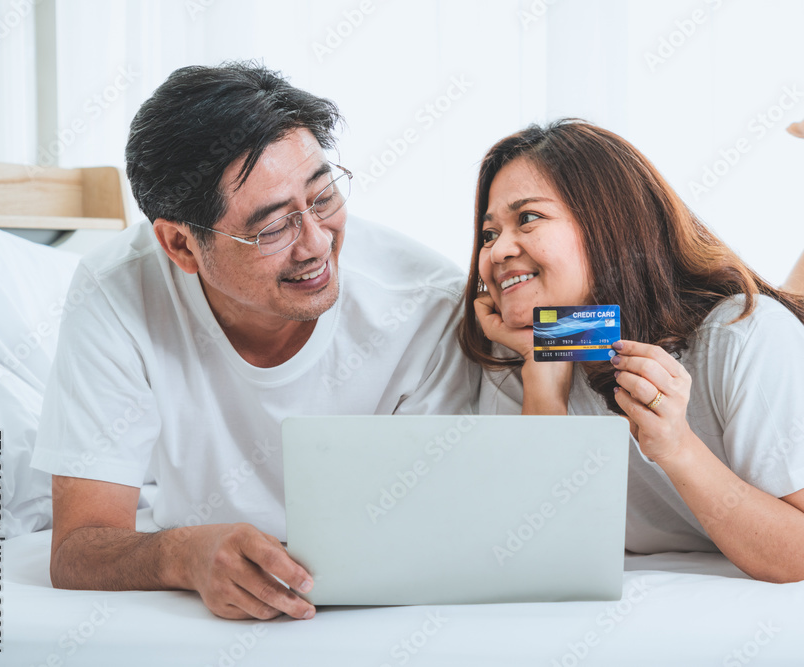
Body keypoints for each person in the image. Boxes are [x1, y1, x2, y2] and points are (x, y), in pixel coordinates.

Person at [30, 63, 479, 621]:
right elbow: (77, 548)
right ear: (180, 245)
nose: (316, 244)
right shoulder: (116, 294)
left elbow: (449, 530)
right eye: (272, 228)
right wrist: (179, 553)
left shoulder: (426, 304)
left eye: (323, 197)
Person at [460, 117, 804, 583]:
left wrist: (677, 447)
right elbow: (542, 548)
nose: (498, 250)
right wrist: (543, 369)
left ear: (608, 223)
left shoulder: (749, 333)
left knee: (762, 332)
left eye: (528, 218)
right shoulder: (526, 355)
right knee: (778, 337)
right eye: (488, 232)